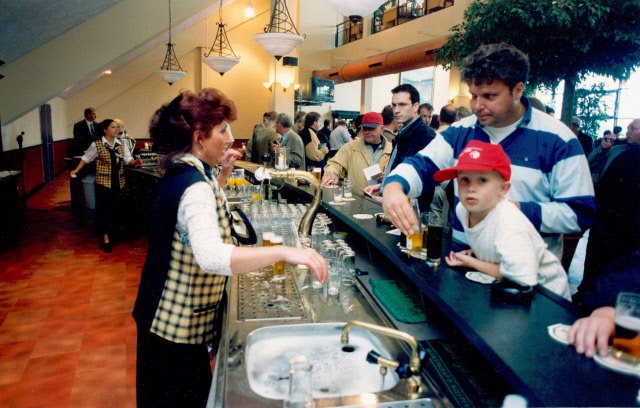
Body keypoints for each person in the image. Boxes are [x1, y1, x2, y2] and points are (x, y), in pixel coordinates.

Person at [132, 89, 327, 408]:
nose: (230, 138)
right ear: (199, 137)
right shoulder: (194, 187)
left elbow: (198, 217)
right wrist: (285, 252)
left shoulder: (188, 172)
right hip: (171, 331)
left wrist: (222, 175)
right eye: (223, 130)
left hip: (174, 322)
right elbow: (211, 256)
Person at [381, 43, 595, 261]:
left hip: (525, 277)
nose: (476, 106)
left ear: (518, 90)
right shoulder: (461, 131)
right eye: (474, 95)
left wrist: (513, 210)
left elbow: (580, 213)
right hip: (463, 267)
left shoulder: (559, 139)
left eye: (489, 96)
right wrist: (394, 187)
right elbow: (421, 165)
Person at [441, 141, 570, 299]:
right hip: (509, 290)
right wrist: (478, 252)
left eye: (482, 180)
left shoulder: (509, 222)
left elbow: (518, 277)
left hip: (546, 296)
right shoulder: (463, 209)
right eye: (464, 179)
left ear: (503, 189)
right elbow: (491, 238)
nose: (471, 188)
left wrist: (471, 262)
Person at [576, 119, 640, 308]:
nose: (627, 132)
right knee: (594, 263)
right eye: (627, 128)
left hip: (625, 226)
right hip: (604, 220)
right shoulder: (615, 150)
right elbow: (590, 166)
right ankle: (585, 294)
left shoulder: (629, 156)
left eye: (633, 129)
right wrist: (602, 150)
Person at [70, 119, 143, 253]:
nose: (116, 129)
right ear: (105, 130)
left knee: (116, 209)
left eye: (117, 127)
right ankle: (106, 239)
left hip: (119, 182)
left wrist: (135, 162)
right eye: (113, 127)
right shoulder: (96, 145)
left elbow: (128, 159)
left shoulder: (121, 144)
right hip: (103, 183)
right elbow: (86, 159)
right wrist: (76, 170)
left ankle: (114, 234)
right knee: (104, 210)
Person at [363, 84, 436, 203]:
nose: (396, 110)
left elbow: (423, 185)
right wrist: (381, 187)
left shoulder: (425, 136)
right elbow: (398, 170)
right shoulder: (402, 134)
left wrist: (391, 199)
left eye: (402, 105)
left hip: (409, 213)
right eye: (394, 105)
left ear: (415, 106)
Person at [322, 112, 393, 193]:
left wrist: (390, 176)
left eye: (371, 128)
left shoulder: (393, 150)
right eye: (364, 128)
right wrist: (333, 173)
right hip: (357, 201)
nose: (367, 132)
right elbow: (335, 164)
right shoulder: (351, 147)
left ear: (381, 129)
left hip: (382, 202)